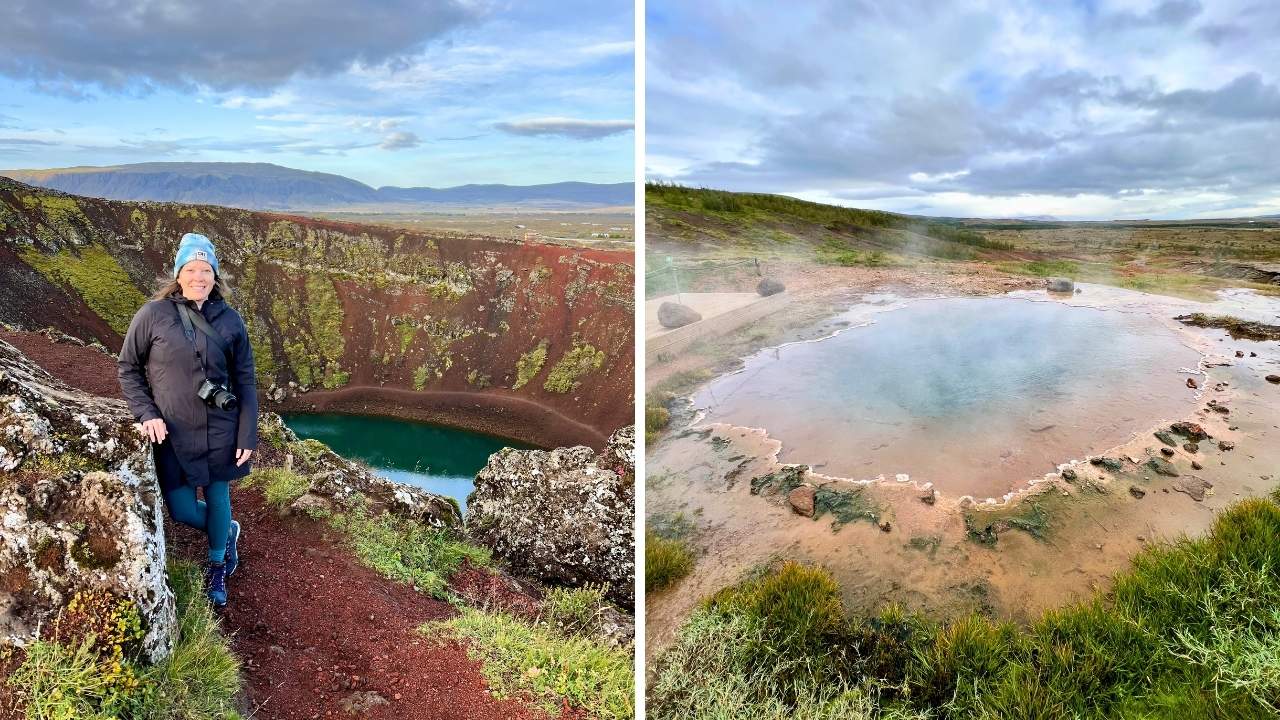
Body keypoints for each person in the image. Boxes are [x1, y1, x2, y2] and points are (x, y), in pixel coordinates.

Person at [118, 233, 258, 608]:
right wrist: (146, 413)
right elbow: (128, 368)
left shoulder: (230, 320)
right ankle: (226, 532)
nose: (200, 277)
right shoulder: (153, 315)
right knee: (180, 509)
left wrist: (248, 434)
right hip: (172, 430)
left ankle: (217, 563)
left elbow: (245, 380)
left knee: (217, 494)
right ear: (179, 274)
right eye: (192, 269)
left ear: (215, 276)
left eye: (206, 270)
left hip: (220, 429)